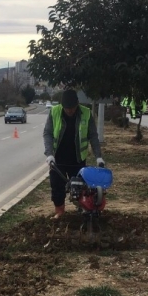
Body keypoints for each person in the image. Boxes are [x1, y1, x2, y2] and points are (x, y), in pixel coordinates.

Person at [43, 89, 104, 218]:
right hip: (58, 159)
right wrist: (49, 154)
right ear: (62, 105)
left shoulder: (86, 113)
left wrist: (98, 156)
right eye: (66, 108)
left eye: (72, 108)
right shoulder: (54, 112)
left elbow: (93, 136)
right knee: (57, 187)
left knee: (80, 188)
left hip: (77, 159)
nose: (69, 111)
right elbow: (47, 133)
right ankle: (60, 213)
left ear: (77, 104)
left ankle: (83, 211)